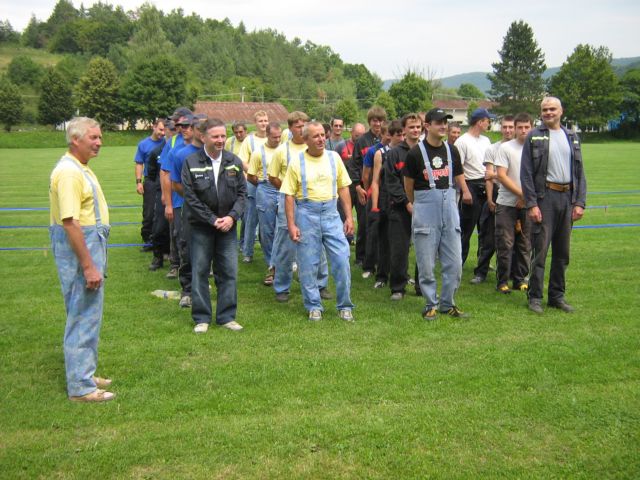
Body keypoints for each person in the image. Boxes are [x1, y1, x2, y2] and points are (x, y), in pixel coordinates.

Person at [49, 117, 114, 402]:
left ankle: (84, 371)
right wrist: (88, 266)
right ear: (75, 139)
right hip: (82, 246)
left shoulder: (79, 167)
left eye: (100, 137)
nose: (99, 142)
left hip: (90, 242)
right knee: (83, 314)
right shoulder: (69, 173)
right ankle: (81, 386)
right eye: (93, 137)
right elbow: (70, 222)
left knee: (87, 313)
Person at [282, 121, 355, 321]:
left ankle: (345, 306)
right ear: (305, 139)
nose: (321, 139)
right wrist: (291, 224)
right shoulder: (297, 161)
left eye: (323, 135)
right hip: (306, 214)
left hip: (331, 213)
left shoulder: (334, 158)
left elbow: (343, 187)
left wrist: (349, 217)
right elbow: (288, 195)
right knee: (308, 263)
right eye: (316, 136)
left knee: (341, 259)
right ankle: (314, 305)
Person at [403, 109, 472, 320]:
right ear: (427, 126)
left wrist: (465, 191)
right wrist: (420, 205)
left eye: (445, 122)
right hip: (425, 210)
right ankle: (430, 303)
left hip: (449, 210)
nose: (443, 126)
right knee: (426, 263)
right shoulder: (415, 153)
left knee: (455, 263)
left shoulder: (452, 150)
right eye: (438, 122)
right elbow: (408, 186)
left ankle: (448, 303)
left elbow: (458, 174)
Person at [520, 97, 587, 314]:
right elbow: (526, 173)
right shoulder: (534, 136)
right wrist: (532, 204)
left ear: (561, 111)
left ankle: (557, 297)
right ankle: (535, 297)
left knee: (562, 253)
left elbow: (580, 172)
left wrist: (580, 202)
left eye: (552, 109)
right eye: (545, 109)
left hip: (567, 198)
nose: (548, 112)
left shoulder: (572, 137)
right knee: (540, 251)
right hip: (545, 198)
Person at [182, 118, 247, 333]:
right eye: (215, 136)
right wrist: (212, 219)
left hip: (228, 227)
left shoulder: (234, 161)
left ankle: (226, 317)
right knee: (200, 271)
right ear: (203, 137)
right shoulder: (191, 162)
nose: (220, 140)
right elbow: (191, 198)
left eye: (223, 136)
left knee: (228, 272)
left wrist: (232, 217)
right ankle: (202, 318)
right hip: (201, 228)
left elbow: (242, 194)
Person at [268, 111, 331, 303]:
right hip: (289, 201)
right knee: (286, 245)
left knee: (318, 242)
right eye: (298, 126)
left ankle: (321, 284)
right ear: (290, 128)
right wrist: (289, 191)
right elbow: (272, 176)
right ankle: (282, 286)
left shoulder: (317, 149)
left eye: (304, 125)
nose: (302, 128)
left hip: (313, 203)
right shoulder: (282, 151)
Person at [382, 113, 423, 300]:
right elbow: (391, 183)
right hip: (399, 209)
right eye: (411, 127)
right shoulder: (394, 153)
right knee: (399, 250)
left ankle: (422, 286)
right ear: (404, 129)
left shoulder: (425, 151)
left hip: (424, 208)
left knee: (424, 249)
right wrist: (406, 202)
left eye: (418, 127)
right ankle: (398, 288)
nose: (415, 130)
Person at [471, 115, 516, 284]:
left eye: (511, 127)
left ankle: (512, 274)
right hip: (496, 193)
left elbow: (507, 174)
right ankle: (481, 272)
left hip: (515, 194)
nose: (508, 130)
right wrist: (490, 199)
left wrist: (496, 175)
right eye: (505, 127)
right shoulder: (492, 149)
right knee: (488, 237)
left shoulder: (521, 147)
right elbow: (488, 177)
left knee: (515, 239)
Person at [455, 107, 496, 277]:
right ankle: (458, 262)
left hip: (486, 184)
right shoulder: (462, 141)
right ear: (480, 122)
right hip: (470, 185)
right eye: (488, 121)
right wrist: (465, 191)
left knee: (486, 229)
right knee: (465, 229)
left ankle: (483, 263)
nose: (489, 124)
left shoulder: (486, 141)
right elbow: (458, 169)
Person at [494, 112, 533, 294]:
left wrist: (526, 199)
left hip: (529, 205)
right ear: (515, 129)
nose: (523, 130)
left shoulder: (536, 147)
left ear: (532, 127)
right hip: (506, 204)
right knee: (505, 243)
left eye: (527, 127)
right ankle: (502, 281)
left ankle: (520, 280)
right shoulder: (506, 148)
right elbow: (501, 176)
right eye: (520, 127)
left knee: (525, 244)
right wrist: (521, 195)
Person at [162, 114, 196, 308]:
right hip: (179, 202)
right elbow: (167, 175)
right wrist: (167, 202)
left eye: (187, 126)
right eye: (181, 126)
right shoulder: (176, 150)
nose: (184, 129)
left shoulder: (208, 151)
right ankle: (179, 271)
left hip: (202, 207)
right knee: (181, 238)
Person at [368, 120, 404, 289]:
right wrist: (375, 206)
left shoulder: (408, 152)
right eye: (398, 135)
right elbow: (375, 181)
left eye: (403, 135)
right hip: (384, 198)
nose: (401, 138)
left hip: (402, 198)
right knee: (384, 239)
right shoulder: (380, 153)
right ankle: (382, 275)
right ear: (390, 135)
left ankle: (402, 274)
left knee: (401, 241)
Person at [350, 107, 387, 268]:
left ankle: (378, 256)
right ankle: (361, 257)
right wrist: (358, 187)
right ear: (369, 122)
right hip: (365, 188)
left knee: (380, 223)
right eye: (374, 120)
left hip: (382, 188)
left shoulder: (387, 139)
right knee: (364, 223)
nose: (377, 123)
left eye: (380, 120)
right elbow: (354, 165)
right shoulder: (361, 141)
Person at [247, 121, 282, 284]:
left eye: (279, 136)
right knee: (267, 230)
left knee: (284, 228)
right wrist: (262, 185)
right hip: (265, 190)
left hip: (283, 188)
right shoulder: (258, 153)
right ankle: (271, 265)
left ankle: (286, 263)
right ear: (267, 135)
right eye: (274, 137)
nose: (277, 139)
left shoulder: (284, 150)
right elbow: (250, 176)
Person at [238, 110, 269, 263]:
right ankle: (248, 252)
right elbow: (242, 160)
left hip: (271, 184)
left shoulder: (274, 138)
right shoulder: (249, 141)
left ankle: (269, 250)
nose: (264, 123)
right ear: (255, 123)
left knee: (270, 220)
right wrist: (253, 174)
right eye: (261, 121)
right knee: (251, 218)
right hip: (253, 183)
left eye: (265, 120)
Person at [134, 118, 165, 250]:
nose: (163, 133)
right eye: (161, 129)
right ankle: (147, 239)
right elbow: (139, 163)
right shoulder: (144, 144)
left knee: (163, 211)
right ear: (154, 127)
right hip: (151, 180)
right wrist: (139, 182)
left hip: (165, 179)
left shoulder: (167, 143)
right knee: (149, 212)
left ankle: (162, 241)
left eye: (164, 130)